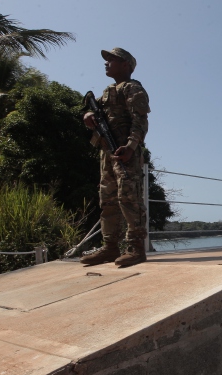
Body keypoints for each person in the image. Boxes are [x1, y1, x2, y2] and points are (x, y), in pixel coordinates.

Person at [80, 47, 150, 267]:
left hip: (124, 152)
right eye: (106, 59)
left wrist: (130, 147)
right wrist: (88, 114)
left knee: (129, 198)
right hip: (107, 153)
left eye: (112, 59)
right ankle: (110, 248)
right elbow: (90, 110)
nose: (106, 63)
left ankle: (136, 249)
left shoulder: (133, 88)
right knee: (107, 200)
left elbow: (140, 121)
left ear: (126, 65)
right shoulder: (108, 91)